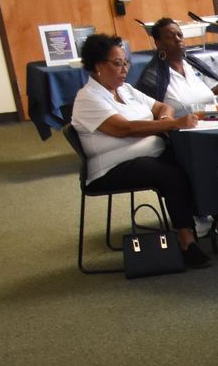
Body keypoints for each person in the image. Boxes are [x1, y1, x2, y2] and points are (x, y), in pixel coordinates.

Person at [68, 33, 210, 267]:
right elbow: (124, 129)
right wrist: (170, 124)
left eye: (126, 62)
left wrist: (165, 118)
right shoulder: (88, 98)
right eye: (117, 63)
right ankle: (186, 240)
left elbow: (162, 106)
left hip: (148, 154)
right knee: (169, 174)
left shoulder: (126, 90)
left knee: (195, 159)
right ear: (98, 66)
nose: (124, 69)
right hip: (110, 168)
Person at [135, 18, 218, 110]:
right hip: (180, 126)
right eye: (170, 37)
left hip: (213, 120)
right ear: (158, 43)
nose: (178, 39)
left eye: (180, 35)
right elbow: (149, 113)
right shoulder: (153, 77)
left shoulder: (193, 65)